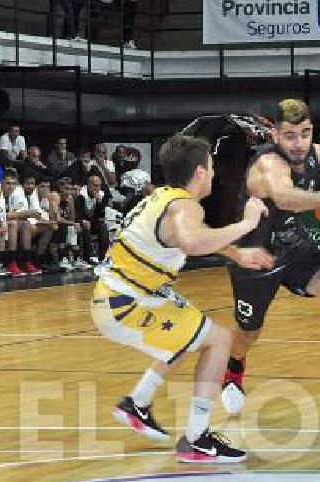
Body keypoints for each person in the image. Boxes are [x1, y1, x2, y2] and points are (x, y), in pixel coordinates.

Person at [91, 133, 275, 463]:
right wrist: (246, 223)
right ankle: (196, 439)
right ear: (200, 173)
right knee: (218, 341)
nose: (215, 173)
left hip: (131, 295)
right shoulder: (185, 207)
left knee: (193, 333)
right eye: (212, 167)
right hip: (125, 303)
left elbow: (189, 238)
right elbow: (192, 242)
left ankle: (137, 403)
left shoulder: (165, 197)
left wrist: (236, 255)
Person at [220, 99, 320, 432]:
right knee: (249, 333)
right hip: (254, 255)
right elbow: (283, 197)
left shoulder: (319, 154)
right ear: (276, 134)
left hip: (294, 244)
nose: (299, 143)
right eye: (290, 135)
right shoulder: (267, 163)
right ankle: (233, 370)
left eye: (305, 134)